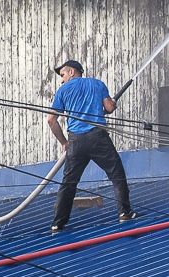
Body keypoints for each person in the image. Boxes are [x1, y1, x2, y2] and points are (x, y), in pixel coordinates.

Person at [45, 60, 135, 233]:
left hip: (76, 142)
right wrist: (111, 104)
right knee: (116, 174)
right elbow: (109, 107)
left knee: (68, 183)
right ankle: (125, 213)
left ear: (72, 72)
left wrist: (64, 142)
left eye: (62, 75)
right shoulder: (97, 84)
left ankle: (57, 223)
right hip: (98, 138)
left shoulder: (63, 91)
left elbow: (51, 120)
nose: (61, 80)